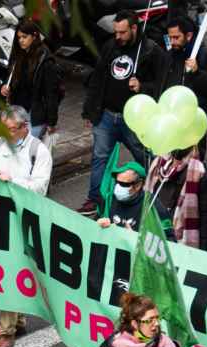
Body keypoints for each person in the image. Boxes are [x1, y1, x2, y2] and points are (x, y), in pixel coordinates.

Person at [0, 106, 54, 347]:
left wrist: (11, 181)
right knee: (13, 268)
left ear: (25, 126)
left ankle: (5, 331)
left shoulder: (39, 151)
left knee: (13, 269)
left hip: (25, 218)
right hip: (0, 215)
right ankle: (19, 319)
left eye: (13, 129)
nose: (9, 134)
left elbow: (40, 188)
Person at [79, 10, 165, 215]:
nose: (118, 36)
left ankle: (152, 195)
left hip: (134, 120)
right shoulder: (110, 47)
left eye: (122, 32)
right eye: (116, 32)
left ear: (134, 28)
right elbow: (98, 79)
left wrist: (143, 87)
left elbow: (162, 85)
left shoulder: (150, 51)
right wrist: (90, 111)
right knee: (100, 157)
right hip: (107, 115)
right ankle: (95, 200)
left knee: (145, 157)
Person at [160, 13, 207, 155]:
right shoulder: (170, 56)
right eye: (170, 38)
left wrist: (197, 73)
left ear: (188, 36)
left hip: (194, 121)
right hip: (171, 118)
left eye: (176, 37)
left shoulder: (206, 56)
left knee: (192, 163)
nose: (172, 42)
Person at [2, 19, 62, 142]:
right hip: (17, 110)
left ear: (34, 36)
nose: (21, 41)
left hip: (35, 114)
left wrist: (52, 122)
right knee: (16, 146)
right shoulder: (18, 55)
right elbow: (10, 77)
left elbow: (52, 94)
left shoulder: (45, 60)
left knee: (28, 148)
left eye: (24, 37)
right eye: (18, 38)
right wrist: (5, 87)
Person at [146, 145, 207, 248]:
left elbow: (204, 221)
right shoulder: (159, 165)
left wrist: (201, 252)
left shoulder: (199, 174)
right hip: (156, 234)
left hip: (179, 242)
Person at [96, 161, 147, 229]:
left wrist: (133, 236)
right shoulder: (110, 198)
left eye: (124, 184)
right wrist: (101, 223)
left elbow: (163, 235)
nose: (118, 187)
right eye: (117, 182)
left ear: (138, 185)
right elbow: (99, 217)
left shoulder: (151, 206)